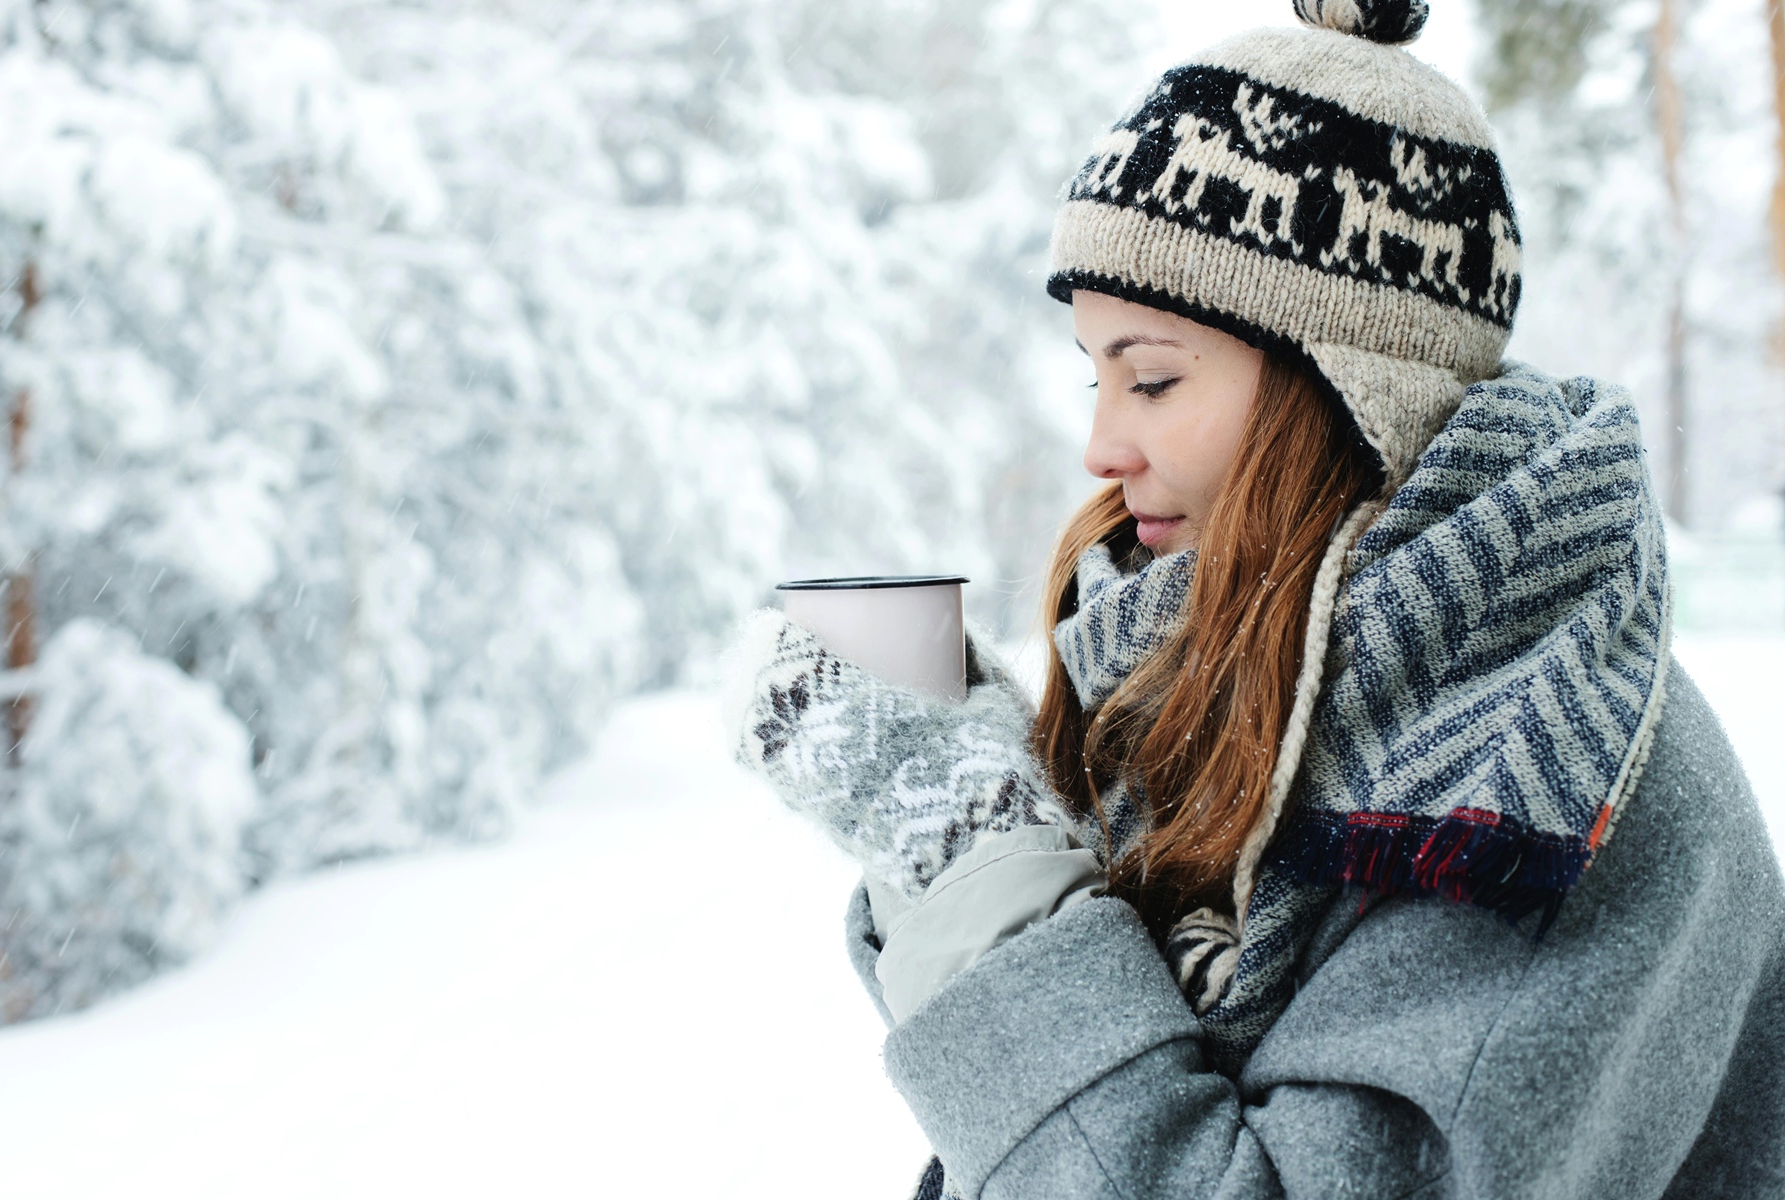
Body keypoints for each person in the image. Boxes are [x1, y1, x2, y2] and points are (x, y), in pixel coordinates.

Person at [725, 1, 1785, 1196]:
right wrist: (980, 795)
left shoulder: (1525, 795)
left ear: (1346, 390)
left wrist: (969, 855)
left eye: (1154, 377)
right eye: (1095, 376)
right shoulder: (1281, 687)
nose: (1101, 446)